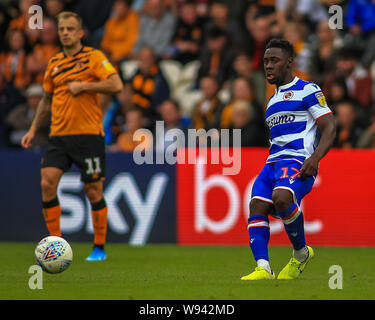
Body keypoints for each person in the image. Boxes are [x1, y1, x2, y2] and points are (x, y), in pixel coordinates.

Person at [21, 11, 123, 261]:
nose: (65, 32)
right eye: (62, 28)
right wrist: (33, 129)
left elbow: (116, 84)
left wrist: (85, 86)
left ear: (80, 33)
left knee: (93, 191)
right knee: (47, 183)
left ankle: (99, 247)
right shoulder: (54, 63)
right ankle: (56, 245)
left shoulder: (94, 57)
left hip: (88, 136)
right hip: (59, 136)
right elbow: (46, 99)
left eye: (70, 29)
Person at [241, 39, 336, 280]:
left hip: (299, 161)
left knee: (282, 198)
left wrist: (315, 158)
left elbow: (330, 127)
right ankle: (263, 267)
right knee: (256, 206)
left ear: (289, 62)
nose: (268, 66)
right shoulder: (271, 101)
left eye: (274, 60)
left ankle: (301, 253)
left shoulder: (309, 89)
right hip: (272, 163)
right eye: (265, 61)